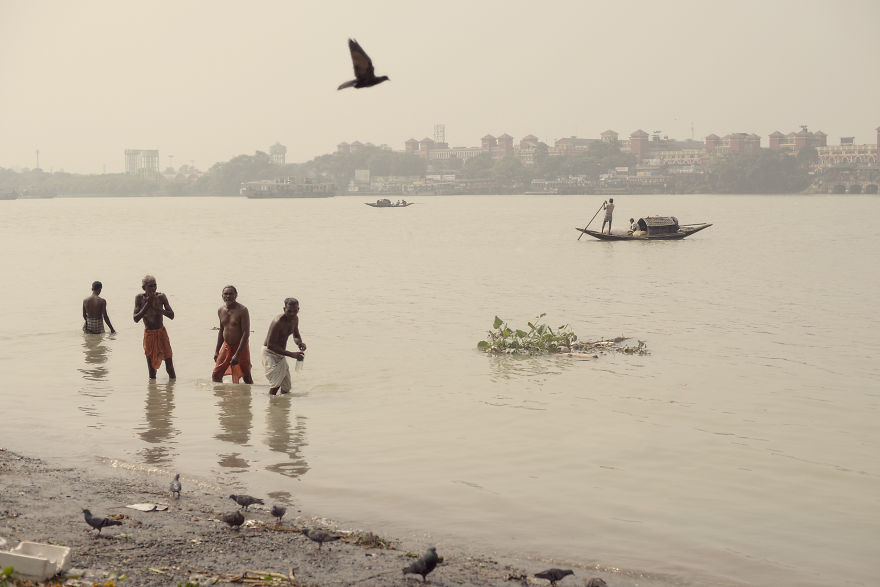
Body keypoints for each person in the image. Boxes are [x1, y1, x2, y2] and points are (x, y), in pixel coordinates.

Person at [133, 274, 176, 379]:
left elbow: (171, 315)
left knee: (169, 367)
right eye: (150, 286)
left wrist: (158, 309)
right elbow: (136, 318)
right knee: (152, 371)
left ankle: (171, 392)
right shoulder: (139, 298)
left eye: (155, 285)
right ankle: (153, 394)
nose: (153, 288)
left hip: (161, 333)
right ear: (144, 288)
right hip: (149, 334)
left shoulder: (161, 297)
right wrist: (148, 304)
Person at [262, 298, 306, 395]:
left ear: (298, 309)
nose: (292, 313)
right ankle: (271, 406)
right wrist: (292, 354)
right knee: (276, 384)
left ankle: (283, 408)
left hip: (281, 353)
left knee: (286, 387)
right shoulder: (278, 322)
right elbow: (270, 345)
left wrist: (299, 343)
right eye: (289, 311)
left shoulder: (295, 319)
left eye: (295, 311)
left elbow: (296, 335)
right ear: (284, 309)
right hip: (270, 353)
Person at [212, 285, 253, 384]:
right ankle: (222, 398)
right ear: (222, 296)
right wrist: (217, 351)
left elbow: (246, 333)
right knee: (216, 375)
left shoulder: (242, 310)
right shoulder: (221, 310)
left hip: (241, 347)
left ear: (236, 295)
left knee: (246, 375)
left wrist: (238, 354)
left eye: (231, 294)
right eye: (225, 294)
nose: (228, 296)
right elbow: (221, 330)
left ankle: (247, 398)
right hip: (226, 346)